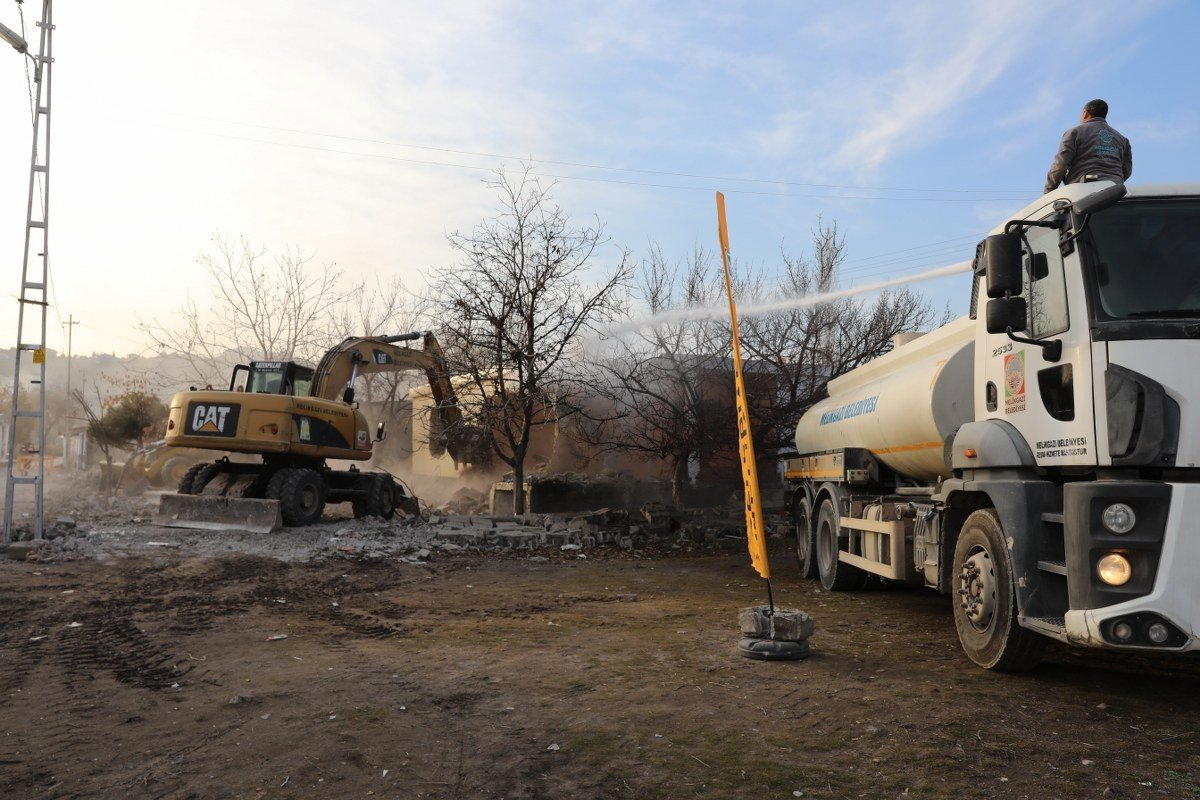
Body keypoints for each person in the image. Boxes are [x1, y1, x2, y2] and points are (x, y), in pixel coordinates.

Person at [1044, 99, 1132, 193]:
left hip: (1083, 192)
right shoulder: (1122, 139)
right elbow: (1126, 170)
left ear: (1085, 113)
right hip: (1116, 191)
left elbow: (1060, 165)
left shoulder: (1075, 133)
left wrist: (1049, 191)